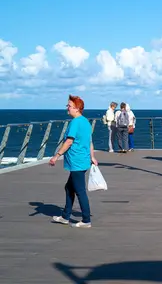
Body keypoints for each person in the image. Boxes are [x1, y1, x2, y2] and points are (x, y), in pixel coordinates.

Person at [49, 95, 98, 228]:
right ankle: (65, 216)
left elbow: (69, 141)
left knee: (80, 190)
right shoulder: (85, 122)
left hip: (77, 161)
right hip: (82, 161)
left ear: (76, 108)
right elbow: (89, 142)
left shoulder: (75, 122)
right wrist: (92, 157)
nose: (67, 108)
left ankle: (86, 220)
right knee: (69, 187)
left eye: (69, 106)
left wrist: (56, 156)